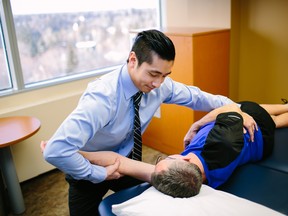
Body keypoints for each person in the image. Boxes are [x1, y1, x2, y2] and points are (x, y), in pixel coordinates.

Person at [42, 29, 256, 215]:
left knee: (158, 203)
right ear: (133, 60)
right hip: (87, 168)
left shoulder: (160, 86)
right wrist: (100, 174)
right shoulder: (102, 98)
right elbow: (55, 151)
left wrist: (235, 108)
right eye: (153, 74)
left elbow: (198, 97)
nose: (158, 83)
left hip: (127, 163)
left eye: (165, 75)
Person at [71, 101, 288, 199]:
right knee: (261, 114)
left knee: (271, 116)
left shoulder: (180, 178)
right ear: (185, 163)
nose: (170, 156)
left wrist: (77, 153)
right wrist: (196, 125)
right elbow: (231, 109)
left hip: (248, 143)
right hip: (257, 132)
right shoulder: (222, 142)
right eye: (169, 158)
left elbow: (117, 160)